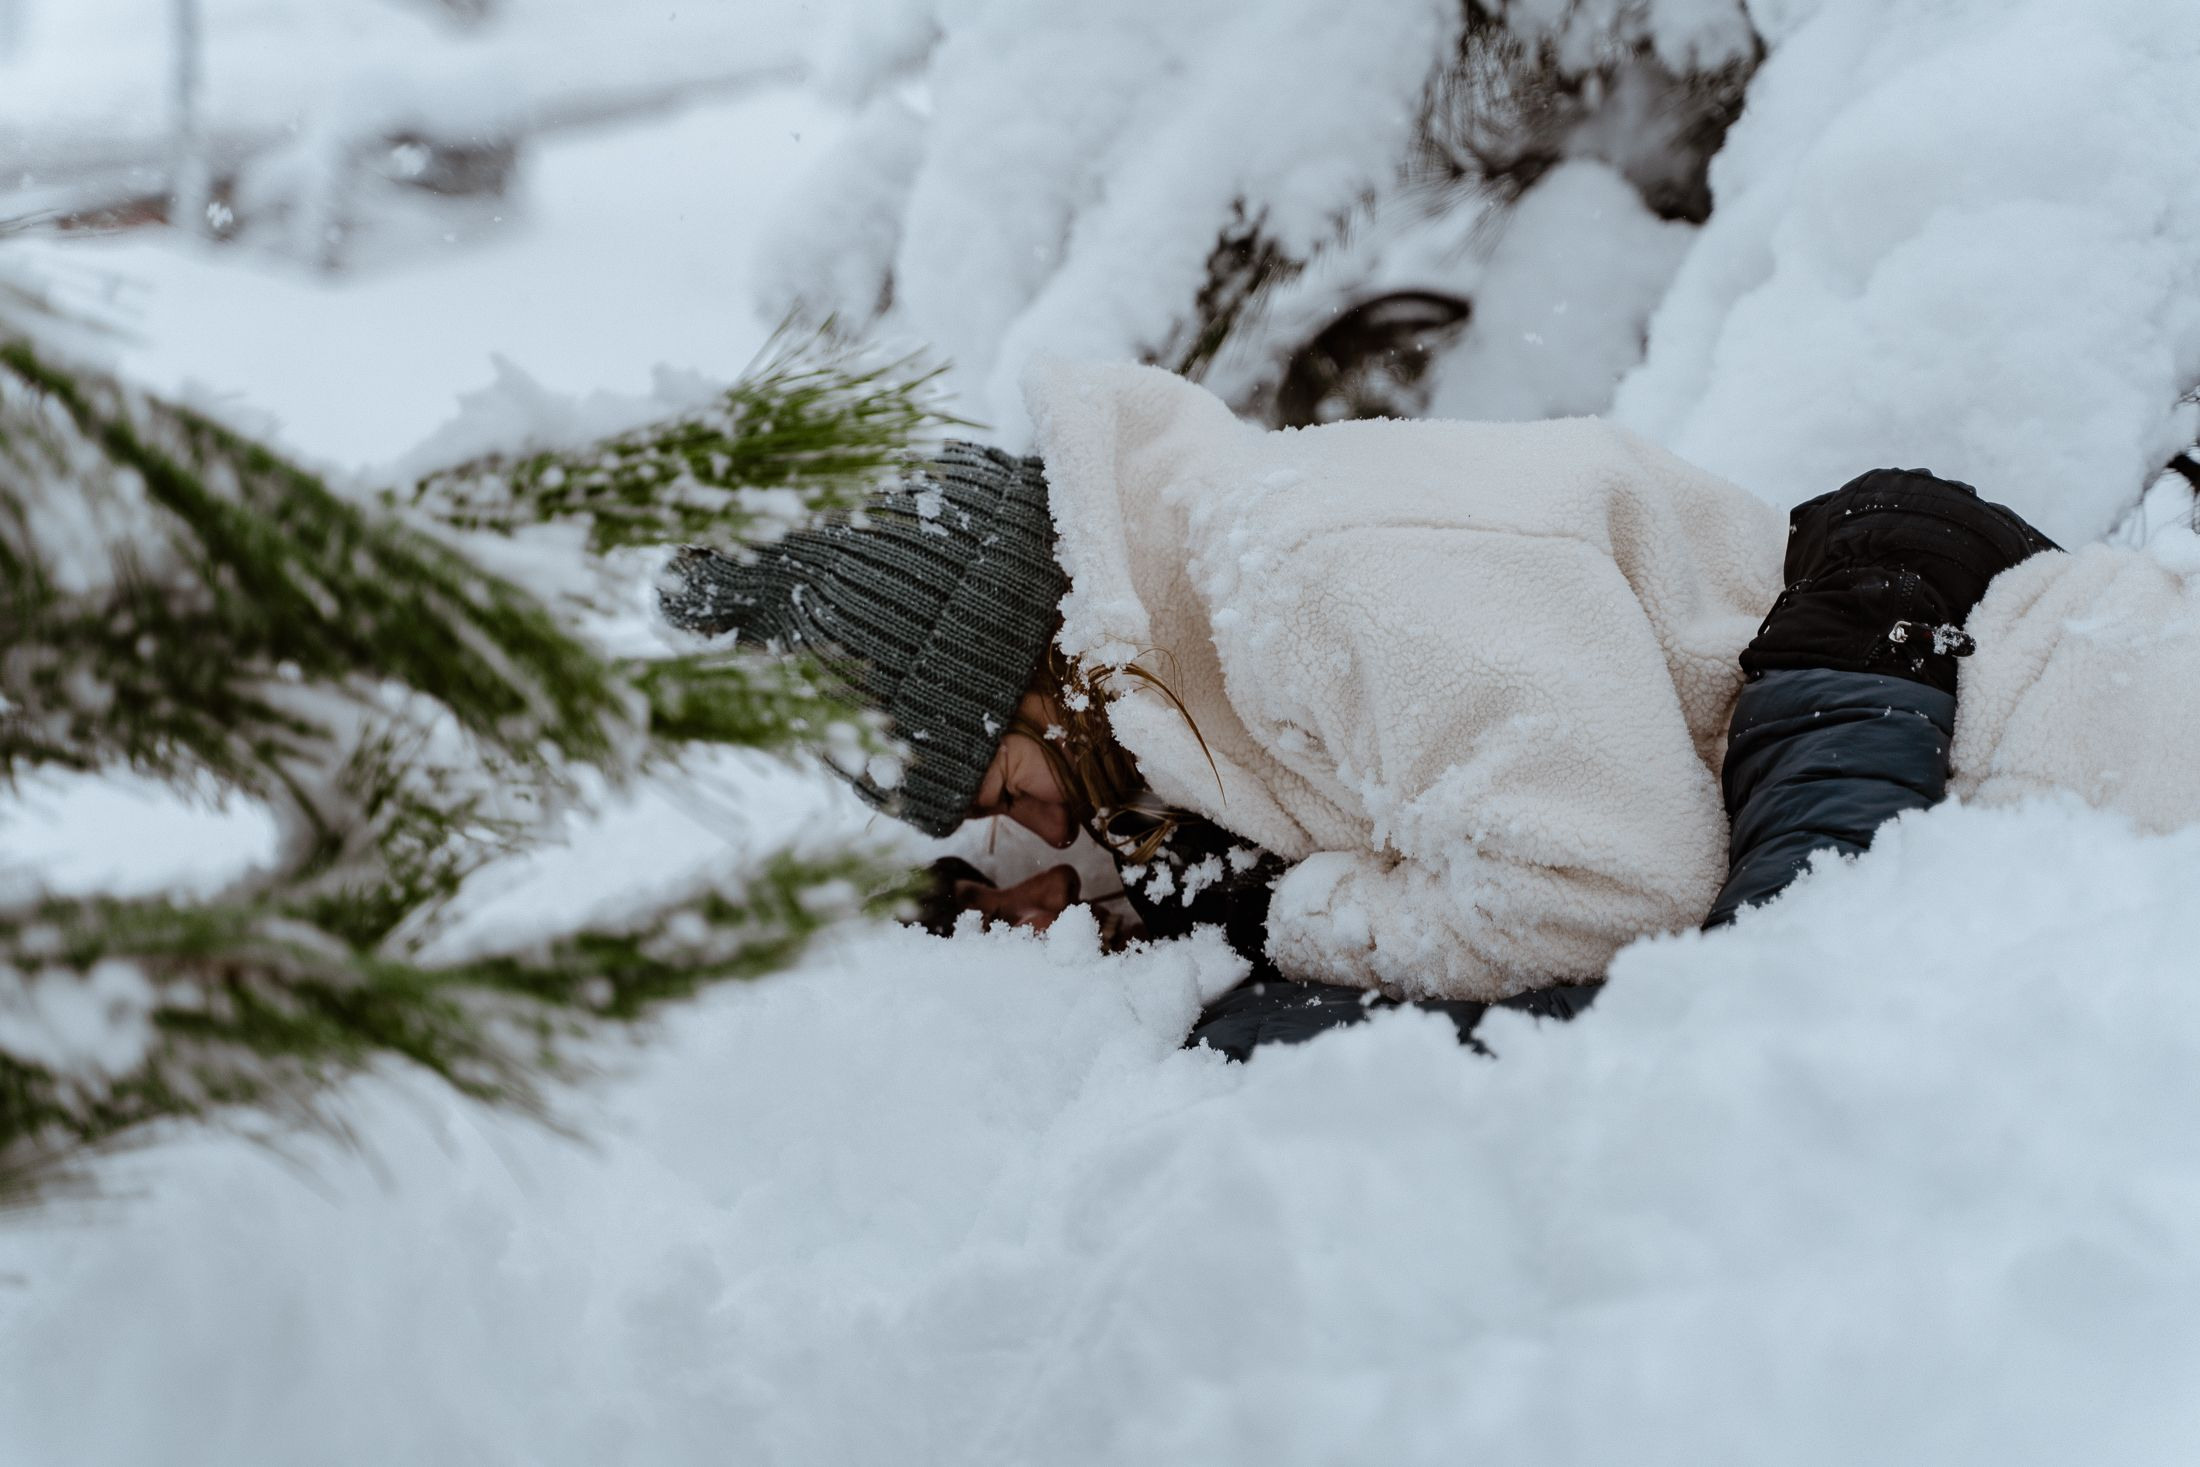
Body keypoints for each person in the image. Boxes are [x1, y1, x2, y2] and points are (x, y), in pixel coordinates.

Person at [662, 360, 2181, 1056]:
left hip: (2006, 719)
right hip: (1926, 744)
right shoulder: (1194, 657)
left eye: (990, 782)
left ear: (1026, 667)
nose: (1021, 821)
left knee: (1735, 1055)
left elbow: (1610, 891)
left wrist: (1285, 924)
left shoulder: (1304, 579)